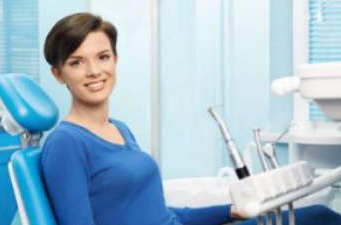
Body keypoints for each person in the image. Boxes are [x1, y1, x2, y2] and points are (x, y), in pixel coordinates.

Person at [41, 12, 341, 225]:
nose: (94, 71)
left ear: (115, 60)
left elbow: (165, 216)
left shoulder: (119, 129)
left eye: (103, 57)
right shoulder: (66, 143)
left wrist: (232, 211)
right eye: (77, 62)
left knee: (320, 216)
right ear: (58, 74)